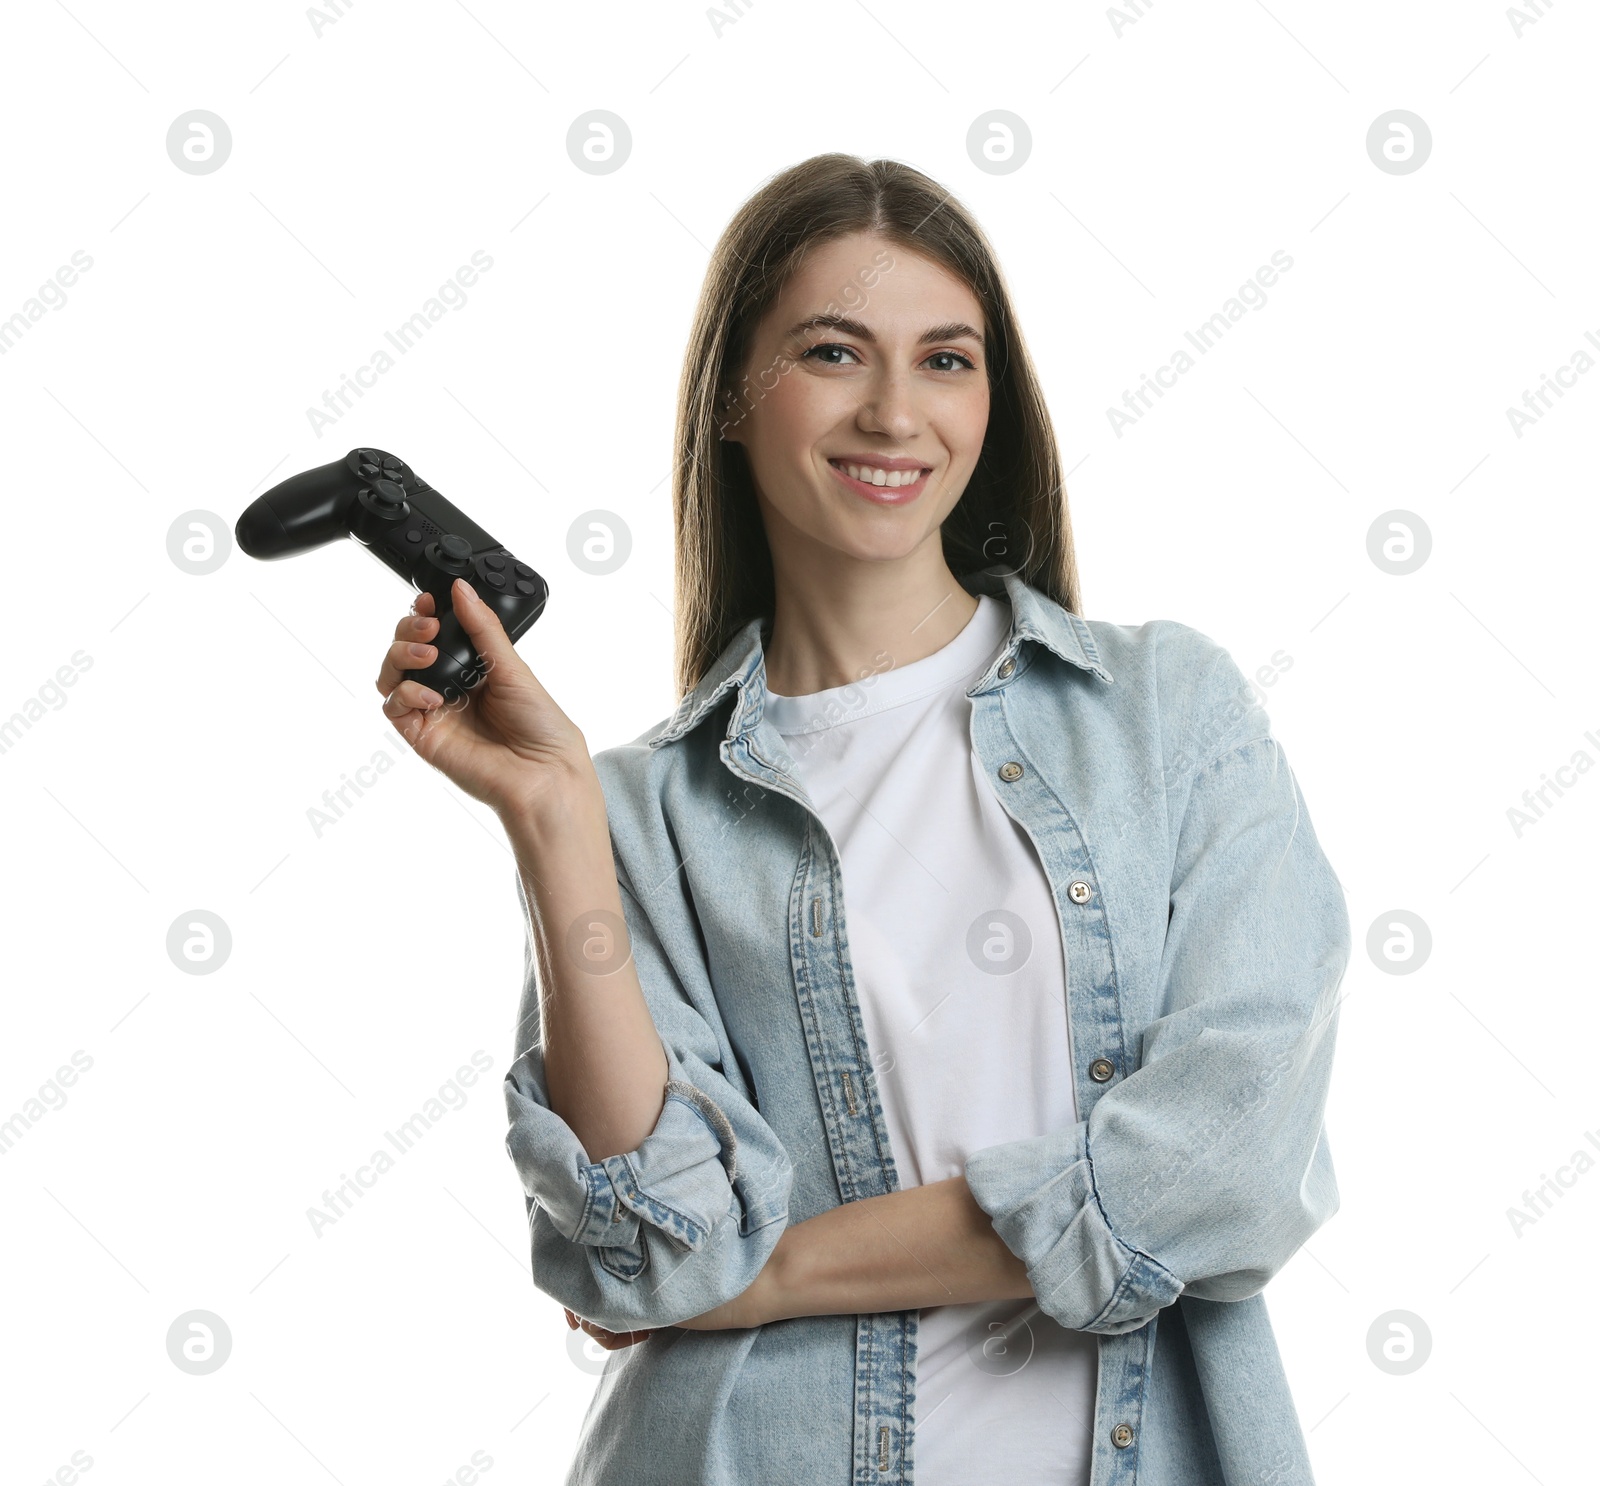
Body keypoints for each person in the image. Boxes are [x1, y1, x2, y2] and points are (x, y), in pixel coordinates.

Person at [374, 153, 1350, 1486]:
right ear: (731, 394)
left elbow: (1224, 1158)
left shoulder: (1166, 713)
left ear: (993, 400)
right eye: (834, 352)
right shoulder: (641, 811)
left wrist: (761, 1276)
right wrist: (553, 820)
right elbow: (652, 1248)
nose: (897, 412)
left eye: (947, 360)